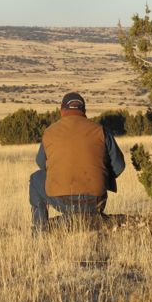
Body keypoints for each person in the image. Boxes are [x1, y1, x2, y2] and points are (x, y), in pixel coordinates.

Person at [29, 92, 125, 233]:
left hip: (63, 201)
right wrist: (102, 176)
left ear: (61, 110)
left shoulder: (49, 132)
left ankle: (40, 231)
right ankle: (90, 217)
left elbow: (41, 164)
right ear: (84, 111)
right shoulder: (101, 131)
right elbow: (119, 166)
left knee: (35, 178)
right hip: (96, 201)